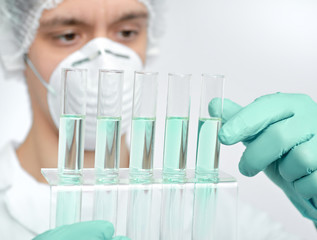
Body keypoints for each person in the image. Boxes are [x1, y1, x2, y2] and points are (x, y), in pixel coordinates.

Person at [0, 0, 316, 239]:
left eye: (126, 32)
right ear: (17, 46)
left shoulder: (207, 214)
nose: (105, 58)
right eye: (67, 35)